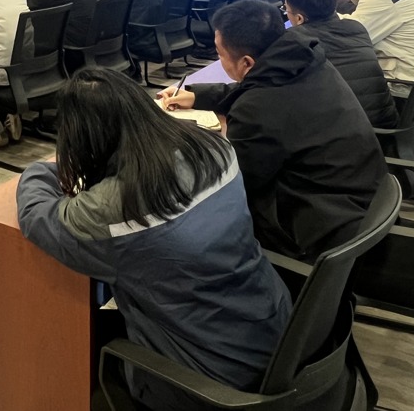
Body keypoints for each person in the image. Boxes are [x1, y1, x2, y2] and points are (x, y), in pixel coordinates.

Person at [17, 68, 291, 411]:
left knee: (71, 354)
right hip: (277, 331)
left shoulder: (115, 207)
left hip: (207, 382)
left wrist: (45, 167)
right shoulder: (214, 147)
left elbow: (36, 215)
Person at [161, 0, 386, 262]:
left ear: (246, 62)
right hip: (361, 196)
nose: (219, 61)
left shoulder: (256, 109)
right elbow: (261, 84)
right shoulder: (306, 60)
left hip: (319, 226)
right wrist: (197, 96)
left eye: (220, 54)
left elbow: (233, 182)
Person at [284, 0, 398, 128]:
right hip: (385, 123)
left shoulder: (297, 40)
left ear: (299, 18)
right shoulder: (356, 27)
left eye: (286, 10)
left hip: (345, 131)